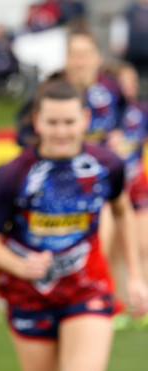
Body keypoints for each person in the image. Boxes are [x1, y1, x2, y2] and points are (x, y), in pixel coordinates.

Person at [0, 76, 148, 371]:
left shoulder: (106, 164)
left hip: (87, 288)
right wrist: (20, 265)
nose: (61, 131)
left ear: (84, 119)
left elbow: (123, 210)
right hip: (30, 295)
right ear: (38, 121)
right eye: (52, 122)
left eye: (69, 121)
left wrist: (136, 277)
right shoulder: (13, 175)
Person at [101, 60, 148, 329]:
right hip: (113, 190)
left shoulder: (142, 111)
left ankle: (142, 304)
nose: (130, 86)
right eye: (125, 81)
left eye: (133, 81)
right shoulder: (104, 115)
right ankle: (116, 303)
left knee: (143, 247)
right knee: (115, 249)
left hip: (139, 187)